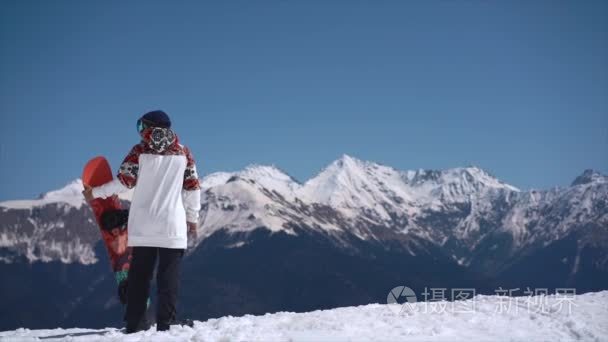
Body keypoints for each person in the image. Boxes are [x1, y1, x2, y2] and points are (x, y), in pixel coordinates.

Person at [82, 110, 201, 333]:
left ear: (150, 128)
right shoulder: (184, 153)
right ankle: (167, 324)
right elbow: (192, 188)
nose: (140, 133)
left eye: (141, 127)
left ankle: (135, 324)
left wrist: (95, 193)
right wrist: (192, 218)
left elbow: (123, 183)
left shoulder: (139, 151)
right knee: (169, 279)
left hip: (143, 225)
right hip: (171, 226)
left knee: (140, 276)